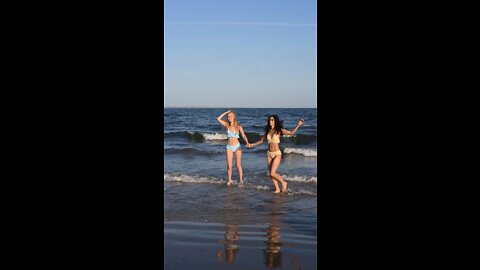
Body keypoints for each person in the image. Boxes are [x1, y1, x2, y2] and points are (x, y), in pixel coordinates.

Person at [247, 115, 304, 193]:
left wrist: (298, 124)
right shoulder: (268, 131)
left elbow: (291, 133)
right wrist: (252, 145)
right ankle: (277, 188)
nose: (271, 121)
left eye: (272, 120)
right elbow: (261, 141)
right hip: (269, 154)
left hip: (277, 153)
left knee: (272, 172)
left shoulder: (279, 130)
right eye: (270, 120)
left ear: (275, 121)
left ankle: (284, 182)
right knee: (271, 174)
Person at [216, 110, 250, 186]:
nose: (230, 117)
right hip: (229, 147)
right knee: (229, 165)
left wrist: (247, 142)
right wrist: (226, 112)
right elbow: (218, 118)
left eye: (231, 116)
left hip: (237, 146)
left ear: (234, 117)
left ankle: (241, 179)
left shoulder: (238, 126)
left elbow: (244, 135)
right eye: (228, 116)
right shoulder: (226, 125)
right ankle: (229, 180)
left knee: (238, 165)